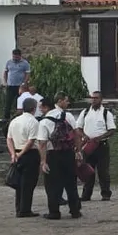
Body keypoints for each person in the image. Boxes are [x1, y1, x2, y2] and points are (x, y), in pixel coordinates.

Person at [37, 92, 82, 220]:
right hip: (68, 153)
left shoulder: (44, 121)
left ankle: (54, 212)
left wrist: (43, 161)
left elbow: (42, 143)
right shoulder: (68, 115)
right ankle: (75, 210)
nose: (68, 103)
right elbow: (76, 134)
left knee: (52, 185)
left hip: (53, 155)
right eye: (66, 101)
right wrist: (78, 151)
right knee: (71, 184)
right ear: (59, 101)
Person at [77, 91, 116, 202]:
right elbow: (78, 128)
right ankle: (86, 194)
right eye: (92, 98)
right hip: (88, 145)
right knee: (88, 170)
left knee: (103, 171)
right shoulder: (85, 112)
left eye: (96, 98)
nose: (93, 100)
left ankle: (105, 193)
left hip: (101, 145)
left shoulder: (106, 113)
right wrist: (84, 136)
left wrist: (99, 138)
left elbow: (112, 130)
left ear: (101, 99)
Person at [7, 97, 41, 218]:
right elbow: (31, 141)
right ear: (34, 108)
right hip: (29, 153)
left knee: (19, 183)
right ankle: (25, 209)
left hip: (16, 152)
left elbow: (9, 139)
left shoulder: (15, 121)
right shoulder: (33, 122)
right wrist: (21, 153)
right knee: (28, 183)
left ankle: (19, 207)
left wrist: (13, 154)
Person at [2, 49, 31, 121]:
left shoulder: (25, 63)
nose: (15, 58)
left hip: (20, 86)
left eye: (16, 57)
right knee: (8, 101)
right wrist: (5, 82)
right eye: (13, 56)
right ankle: (6, 117)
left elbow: (27, 74)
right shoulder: (9, 62)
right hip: (10, 85)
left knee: (18, 102)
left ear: (20, 56)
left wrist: (24, 83)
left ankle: (18, 117)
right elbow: (5, 72)